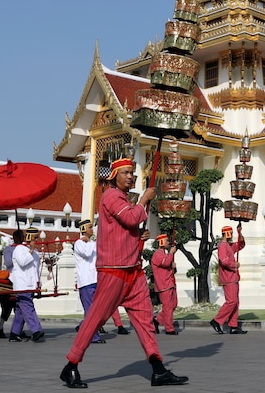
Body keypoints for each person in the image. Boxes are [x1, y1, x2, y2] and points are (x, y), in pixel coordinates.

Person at [59, 158, 188, 388]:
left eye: (133, 174)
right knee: (96, 319)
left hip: (133, 270)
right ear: (114, 175)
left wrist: (138, 236)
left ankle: (158, 368)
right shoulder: (111, 196)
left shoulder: (124, 199)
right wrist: (143, 201)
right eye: (126, 173)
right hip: (114, 270)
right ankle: (71, 365)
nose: (131, 177)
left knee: (145, 319)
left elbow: (126, 228)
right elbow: (130, 218)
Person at [73, 219, 126, 343]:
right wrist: (92, 243)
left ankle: (83, 327)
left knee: (96, 310)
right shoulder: (79, 243)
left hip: (96, 280)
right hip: (86, 281)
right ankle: (93, 336)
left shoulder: (92, 243)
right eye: (90, 227)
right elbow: (86, 253)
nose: (92, 229)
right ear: (83, 229)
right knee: (91, 311)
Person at [9, 227, 45, 343]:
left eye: (37, 238)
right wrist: (31, 250)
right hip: (22, 284)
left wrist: (38, 285)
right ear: (29, 238)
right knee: (28, 307)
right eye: (34, 238)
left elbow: (36, 269)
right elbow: (23, 262)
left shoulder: (35, 252)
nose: (36, 240)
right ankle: (36, 330)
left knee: (21, 310)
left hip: (31, 284)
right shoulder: (19, 249)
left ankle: (15, 333)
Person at [210, 224, 246, 335]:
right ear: (227, 234)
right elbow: (224, 261)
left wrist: (240, 232)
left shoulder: (229, 246)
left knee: (236, 302)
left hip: (233, 277)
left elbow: (240, 245)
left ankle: (233, 325)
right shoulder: (222, 246)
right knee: (232, 301)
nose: (232, 236)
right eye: (232, 233)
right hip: (228, 277)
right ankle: (217, 320)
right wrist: (234, 264)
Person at [151, 234, 178, 335]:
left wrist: (173, 267)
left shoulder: (165, 254)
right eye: (166, 241)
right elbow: (165, 263)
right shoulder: (157, 254)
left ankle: (157, 319)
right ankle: (169, 328)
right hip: (163, 285)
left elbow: (169, 267)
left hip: (170, 282)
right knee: (167, 307)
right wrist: (171, 253)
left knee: (173, 305)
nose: (168, 243)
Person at [0, 230, 24, 339]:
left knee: (22, 306)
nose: (21, 239)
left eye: (22, 237)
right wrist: (18, 257)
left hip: (23, 279)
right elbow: (8, 263)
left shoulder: (25, 248)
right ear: (14, 238)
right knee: (7, 307)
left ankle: (18, 329)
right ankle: (0, 327)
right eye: (19, 237)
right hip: (11, 277)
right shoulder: (9, 249)